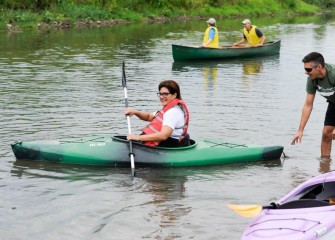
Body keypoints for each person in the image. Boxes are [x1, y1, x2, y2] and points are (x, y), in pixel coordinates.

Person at [291, 52, 335, 158]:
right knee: (326, 133)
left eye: (308, 69)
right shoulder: (312, 80)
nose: (306, 72)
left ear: (319, 67)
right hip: (333, 102)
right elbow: (308, 105)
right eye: (305, 69)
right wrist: (300, 130)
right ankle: (325, 168)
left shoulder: (333, 74)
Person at [124, 80, 190, 147]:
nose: (161, 97)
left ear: (174, 95)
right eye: (160, 94)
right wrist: (135, 112)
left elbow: (164, 135)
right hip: (167, 140)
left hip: (169, 143)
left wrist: (137, 137)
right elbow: (148, 116)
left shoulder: (173, 112)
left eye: (165, 94)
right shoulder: (169, 108)